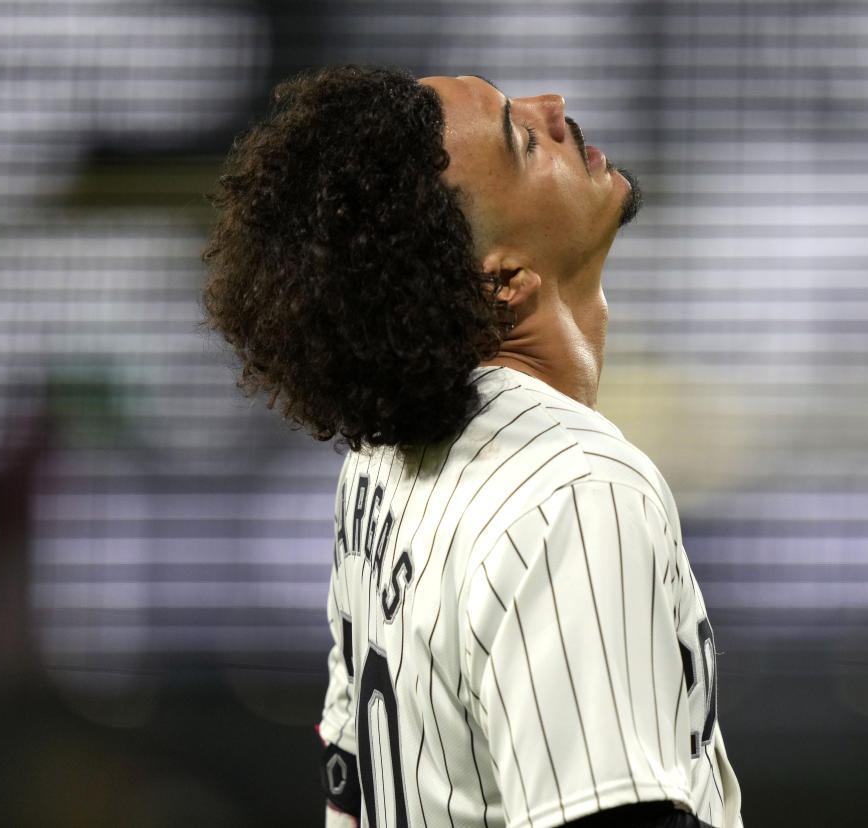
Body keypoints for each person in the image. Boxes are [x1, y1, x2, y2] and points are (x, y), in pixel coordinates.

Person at [202, 65, 742, 828]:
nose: (554, 108)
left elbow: (346, 799)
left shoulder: (375, 471)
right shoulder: (574, 491)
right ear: (503, 282)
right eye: (522, 140)